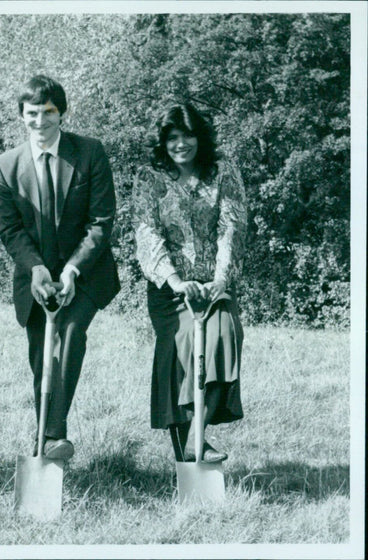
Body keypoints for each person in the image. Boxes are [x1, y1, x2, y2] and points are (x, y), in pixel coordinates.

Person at [0, 75, 120, 460]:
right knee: (40, 356)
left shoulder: (90, 153)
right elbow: (10, 228)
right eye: (32, 113)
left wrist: (71, 271)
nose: (41, 121)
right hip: (35, 279)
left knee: (69, 333)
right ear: (22, 116)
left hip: (84, 274)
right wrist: (35, 268)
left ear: (61, 113)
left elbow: (101, 222)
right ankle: (49, 440)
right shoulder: (6, 165)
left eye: (49, 112)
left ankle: (51, 435)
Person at [132, 102, 247, 462]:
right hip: (171, 289)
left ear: (201, 137)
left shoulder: (222, 172)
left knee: (225, 333)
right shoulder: (149, 177)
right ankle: (187, 452)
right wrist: (176, 280)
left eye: (188, 136)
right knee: (181, 350)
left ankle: (197, 435)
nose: (181, 144)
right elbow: (146, 232)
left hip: (213, 285)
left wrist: (219, 280)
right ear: (163, 142)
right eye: (173, 137)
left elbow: (233, 226)